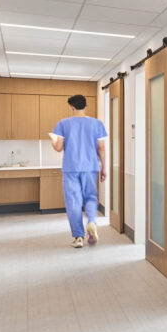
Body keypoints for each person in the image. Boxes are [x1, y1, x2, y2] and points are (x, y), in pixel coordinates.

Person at [49, 95, 107, 248]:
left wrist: (53, 141)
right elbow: (101, 148)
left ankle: (78, 237)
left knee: (73, 202)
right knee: (91, 197)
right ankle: (92, 222)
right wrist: (104, 168)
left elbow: (59, 147)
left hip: (71, 168)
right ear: (85, 106)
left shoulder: (63, 124)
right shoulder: (97, 124)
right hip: (91, 167)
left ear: (72, 107)